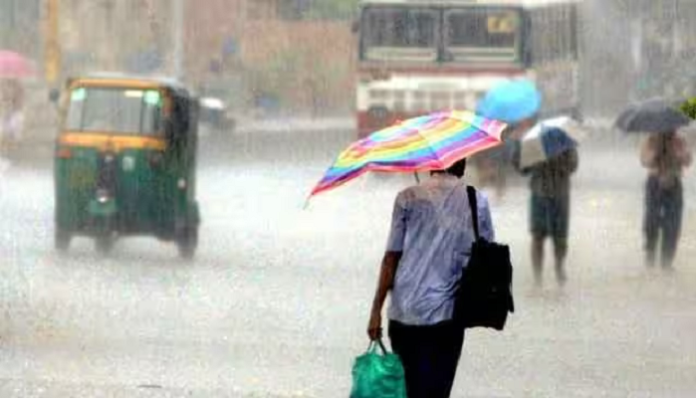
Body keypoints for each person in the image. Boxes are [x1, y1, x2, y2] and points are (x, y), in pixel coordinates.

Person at [366, 158, 495, 398]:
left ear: (430, 166)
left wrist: (375, 311)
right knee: (438, 391)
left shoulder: (406, 198)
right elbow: (486, 253)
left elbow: (390, 258)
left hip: (405, 313)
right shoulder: (478, 202)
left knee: (410, 389)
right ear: (463, 165)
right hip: (448, 315)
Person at [513, 140, 579, 287]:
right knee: (537, 236)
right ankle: (537, 277)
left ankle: (559, 266)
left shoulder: (566, 143)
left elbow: (573, 165)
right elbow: (522, 169)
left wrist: (556, 159)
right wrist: (521, 153)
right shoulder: (532, 142)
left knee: (560, 238)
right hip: (539, 195)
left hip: (560, 195)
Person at [640, 131, 692, 269]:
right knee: (651, 221)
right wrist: (657, 152)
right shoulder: (650, 140)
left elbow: (688, 161)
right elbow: (644, 161)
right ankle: (650, 257)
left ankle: (667, 262)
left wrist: (677, 153)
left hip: (674, 183)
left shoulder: (680, 140)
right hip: (654, 183)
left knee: (673, 224)